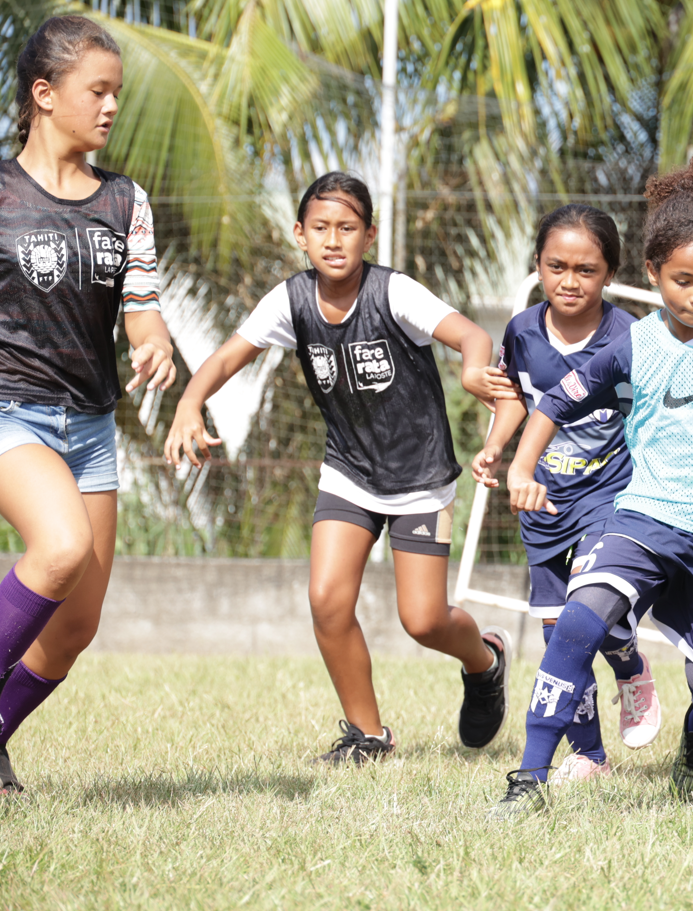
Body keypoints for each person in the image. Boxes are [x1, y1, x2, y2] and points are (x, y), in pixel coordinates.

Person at [165, 173, 515, 764]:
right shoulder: (291, 300)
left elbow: (472, 335)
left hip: (419, 477)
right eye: (321, 228)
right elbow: (226, 357)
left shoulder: (393, 293)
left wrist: (473, 368)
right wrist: (188, 402)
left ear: (369, 235)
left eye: (347, 228)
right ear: (299, 234)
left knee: (423, 621)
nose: (333, 240)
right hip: (349, 472)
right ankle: (368, 737)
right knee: (327, 600)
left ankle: (485, 662)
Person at [490, 158, 693, 816]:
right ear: (654, 273)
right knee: (575, 622)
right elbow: (554, 402)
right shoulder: (634, 344)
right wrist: (520, 467)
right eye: (683, 280)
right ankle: (529, 779)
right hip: (644, 518)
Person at [0, 16, 176, 795]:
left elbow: (141, 306)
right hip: (11, 411)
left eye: (116, 93)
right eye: (96, 91)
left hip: (92, 427)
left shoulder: (124, 199)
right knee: (62, 545)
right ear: (44, 94)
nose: (111, 107)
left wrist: (154, 342)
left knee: (74, 626)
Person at [472, 203, 662, 786]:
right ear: (538, 265)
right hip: (544, 500)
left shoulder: (633, 337)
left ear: (610, 274)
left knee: (590, 613)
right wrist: (496, 448)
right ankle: (590, 756)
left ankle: (628, 663)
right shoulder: (522, 331)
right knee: (559, 636)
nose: (570, 281)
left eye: (586, 269)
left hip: (612, 496)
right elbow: (516, 396)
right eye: (557, 267)